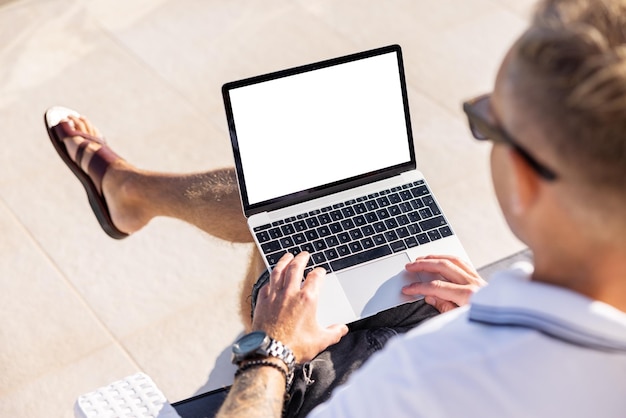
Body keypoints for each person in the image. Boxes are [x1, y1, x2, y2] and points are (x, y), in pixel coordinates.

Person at [46, 0, 626, 416]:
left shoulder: (423, 381)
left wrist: (271, 350)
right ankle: (131, 192)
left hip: (335, 378)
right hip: (453, 311)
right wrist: (486, 306)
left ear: (524, 179)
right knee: (316, 186)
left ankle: (128, 193)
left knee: (294, 205)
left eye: (486, 120)